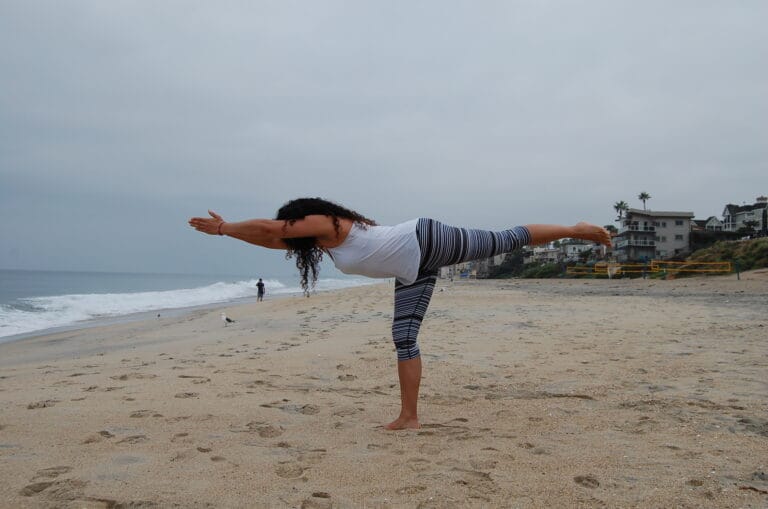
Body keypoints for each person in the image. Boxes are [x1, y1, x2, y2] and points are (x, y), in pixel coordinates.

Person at [189, 197, 611, 430]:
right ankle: (409, 417)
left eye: (291, 223)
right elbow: (269, 240)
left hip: (426, 239)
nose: (291, 230)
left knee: (503, 240)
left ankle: (575, 228)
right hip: (413, 266)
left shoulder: (325, 222)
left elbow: (270, 229)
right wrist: (230, 235)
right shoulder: (319, 242)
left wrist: (225, 228)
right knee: (404, 337)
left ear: (302, 216)